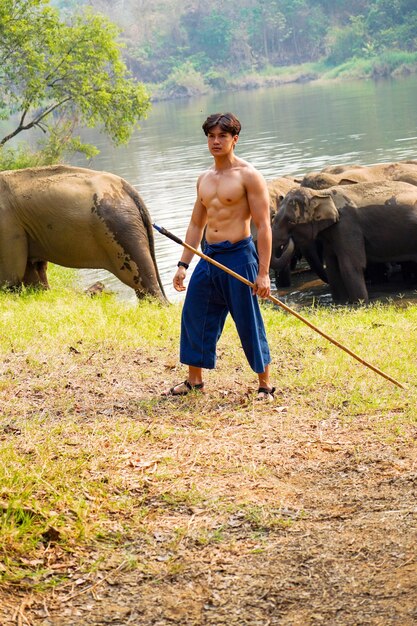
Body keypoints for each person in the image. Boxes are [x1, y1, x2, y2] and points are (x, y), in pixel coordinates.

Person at [164, 112, 275, 400]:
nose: (215, 141)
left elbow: (263, 226)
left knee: (248, 320)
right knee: (194, 314)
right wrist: (183, 264)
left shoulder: (249, 176)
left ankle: (265, 385)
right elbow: (195, 224)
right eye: (211, 136)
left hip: (239, 256)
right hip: (210, 257)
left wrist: (263, 273)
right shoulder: (204, 178)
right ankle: (194, 382)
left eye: (222, 136)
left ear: (234, 139)